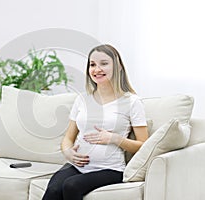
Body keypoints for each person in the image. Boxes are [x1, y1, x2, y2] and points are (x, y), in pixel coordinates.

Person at [42, 44, 149, 200]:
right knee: (53, 189)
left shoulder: (132, 102)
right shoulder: (82, 99)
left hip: (110, 169)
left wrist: (114, 139)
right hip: (78, 166)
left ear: (118, 66)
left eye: (104, 64)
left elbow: (143, 145)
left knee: (71, 186)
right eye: (92, 64)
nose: (97, 69)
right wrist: (68, 152)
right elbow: (68, 138)